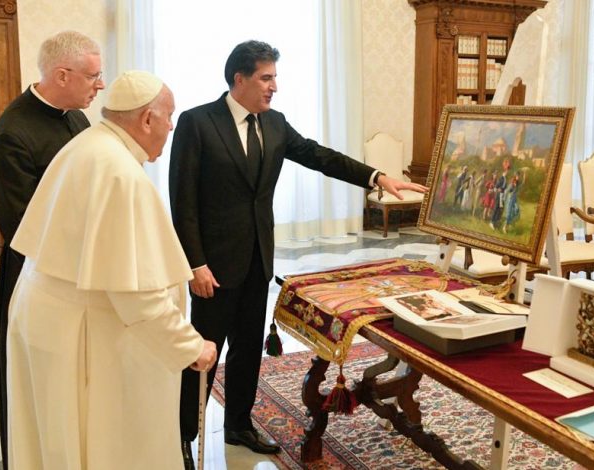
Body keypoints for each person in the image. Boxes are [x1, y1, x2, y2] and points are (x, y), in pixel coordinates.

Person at [169, 40, 426, 467]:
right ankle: (182, 434)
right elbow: (183, 202)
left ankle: (239, 424)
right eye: (266, 78)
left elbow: (318, 156)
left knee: (247, 349)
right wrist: (195, 264)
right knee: (203, 354)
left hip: (258, 260)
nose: (274, 86)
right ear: (239, 79)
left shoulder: (274, 123)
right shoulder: (197, 123)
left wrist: (377, 177)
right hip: (212, 267)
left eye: (275, 77)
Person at [5, 71, 218, 470]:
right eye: (169, 116)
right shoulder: (120, 173)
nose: (172, 126)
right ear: (147, 119)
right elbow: (138, 295)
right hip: (84, 335)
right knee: (107, 446)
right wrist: (190, 346)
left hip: (51, 320)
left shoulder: (88, 145)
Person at [0, 30, 104, 469]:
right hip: (35, 276)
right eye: (93, 75)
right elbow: (22, 226)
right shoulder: (11, 134)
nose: (100, 84)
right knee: (35, 384)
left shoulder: (77, 118)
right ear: (62, 75)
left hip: (82, 269)